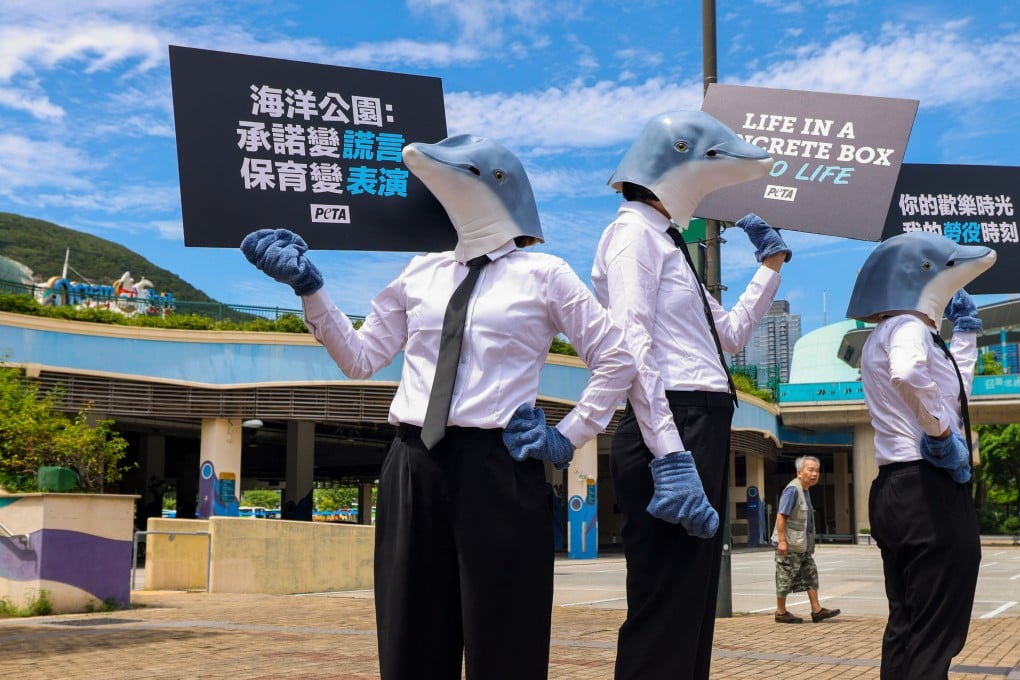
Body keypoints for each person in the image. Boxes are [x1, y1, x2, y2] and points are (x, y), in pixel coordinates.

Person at [241, 133, 635, 680]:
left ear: (501, 188)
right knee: (410, 636)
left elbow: (616, 359)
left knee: (507, 640)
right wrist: (311, 289)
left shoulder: (546, 274)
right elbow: (360, 358)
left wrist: (567, 436)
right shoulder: (420, 271)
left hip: (499, 467)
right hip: (412, 464)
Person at [590, 110, 790, 680]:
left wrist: (769, 268)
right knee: (665, 602)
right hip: (672, 424)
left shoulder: (670, 244)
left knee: (690, 602)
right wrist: (672, 454)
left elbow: (726, 336)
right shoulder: (632, 236)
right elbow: (633, 347)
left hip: (698, 421)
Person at [846, 231, 996, 679]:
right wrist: (940, 434)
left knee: (908, 621)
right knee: (935, 629)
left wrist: (966, 337)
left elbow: (950, 394)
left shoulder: (889, 333)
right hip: (927, 487)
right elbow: (911, 373)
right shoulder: (910, 327)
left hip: (895, 489)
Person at [772, 455, 840, 624]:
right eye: (810, 470)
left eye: (817, 470)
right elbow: (781, 517)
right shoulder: (793, 490)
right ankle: (781, 612)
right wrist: (782, 541)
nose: (814, 474)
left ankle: (817, 610)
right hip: (789, 545)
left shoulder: (805, 490)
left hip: (802, 546)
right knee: (784, 577)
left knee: (810, 575)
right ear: (799, 472)